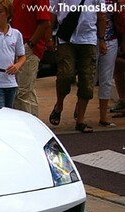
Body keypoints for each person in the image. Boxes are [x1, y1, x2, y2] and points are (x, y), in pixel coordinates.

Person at [48, 0, 106, 133]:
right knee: (65, 75)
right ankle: (59, 105)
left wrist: (101, 39)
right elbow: (52, 12)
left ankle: (80, 120)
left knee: (87, 80)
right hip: (66, 37)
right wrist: (49, 38)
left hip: (89, 38)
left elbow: (101, 15)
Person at [12, 0, 51, 115]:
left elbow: (45, 22)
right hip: (19, 47)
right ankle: (33, 123)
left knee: (22, 92)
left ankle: (25, 126)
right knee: (26, 91)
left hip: (28, 48)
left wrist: (30, 44)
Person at [94, 0, 119, 126]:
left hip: (111, 39)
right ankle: (79, 109)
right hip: (91, 40)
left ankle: (103, 116)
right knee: (89, 77)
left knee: (107, 79)